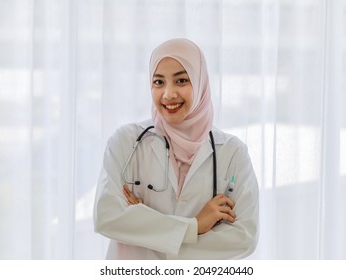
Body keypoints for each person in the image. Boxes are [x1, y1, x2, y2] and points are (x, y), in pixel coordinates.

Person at [93, 38, 259, 259]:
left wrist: (143, 228)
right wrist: (193, 227)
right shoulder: (127, 141)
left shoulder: (232, 152)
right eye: (159, 82)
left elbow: (244, 238)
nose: (168, 94)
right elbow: (106, 216)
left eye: (181, 80)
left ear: (200, 83)